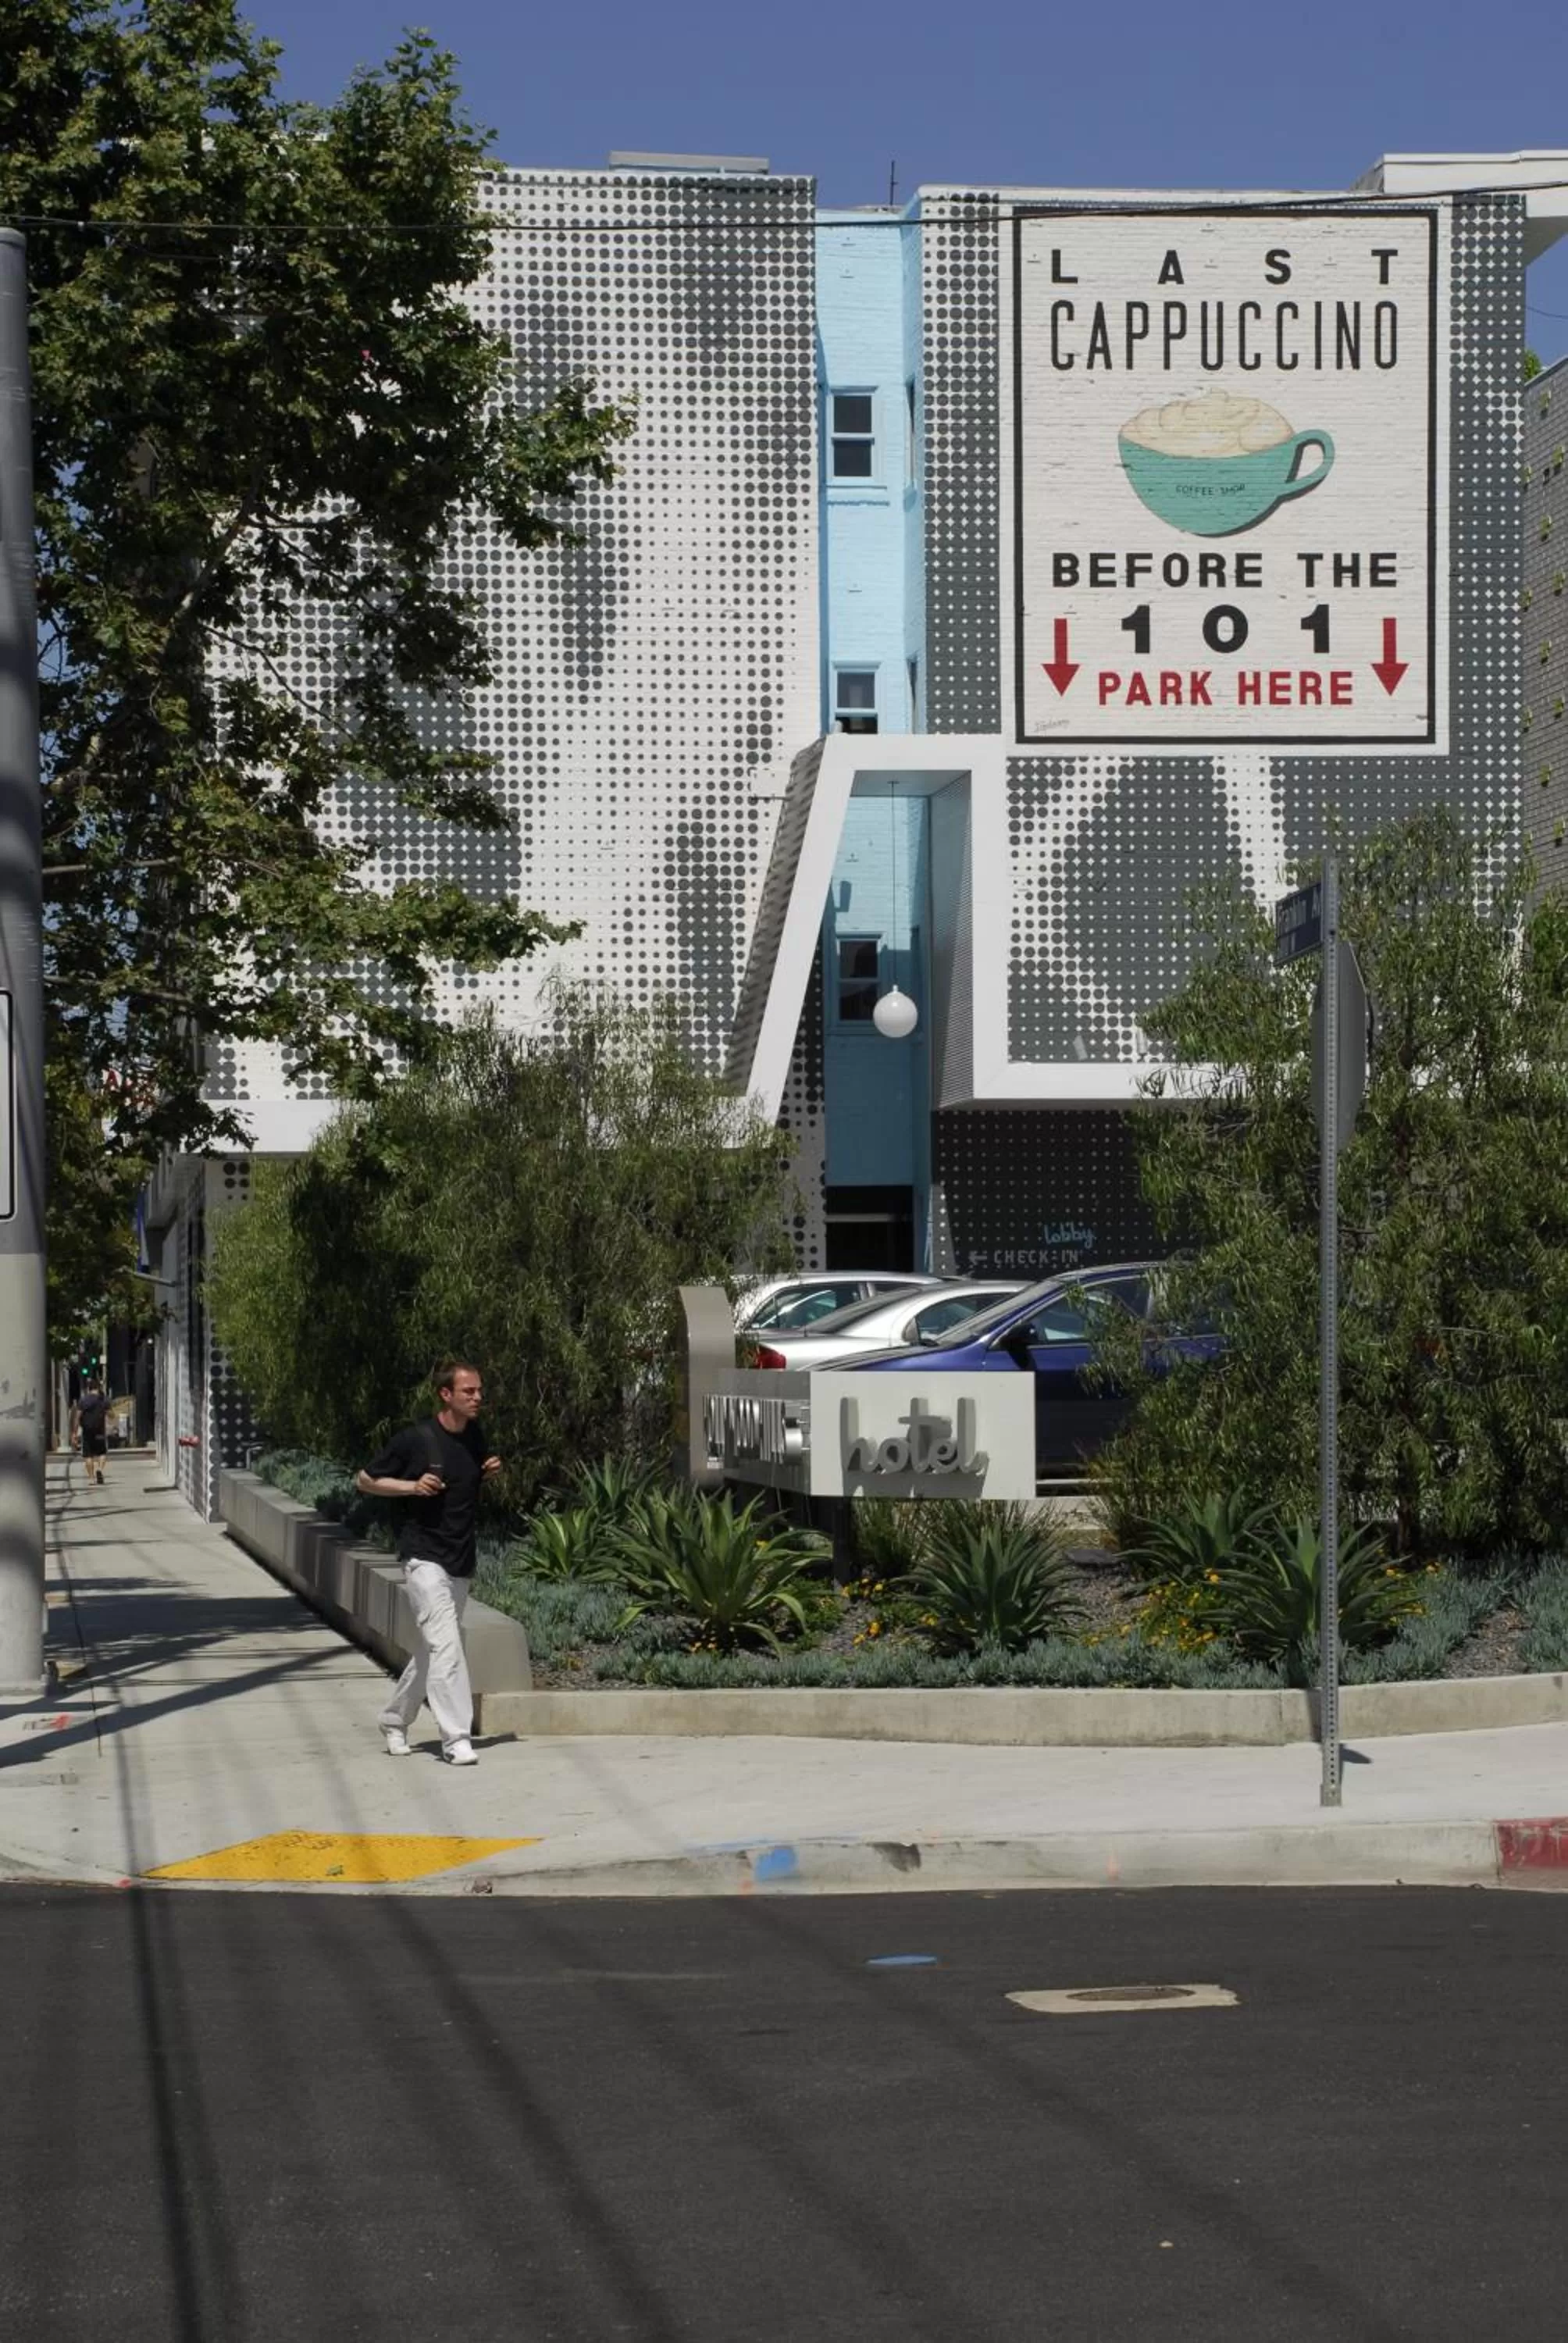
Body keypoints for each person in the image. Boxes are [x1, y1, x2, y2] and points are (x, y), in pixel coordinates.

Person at [355, 1359, 502, 1767]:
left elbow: (465, 1482)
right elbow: (365, 1479)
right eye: (469, 1391)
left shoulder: (475, 1437)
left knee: (433, 1650)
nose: (477, 1398)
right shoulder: (416, 1440)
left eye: (479, 1391)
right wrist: (411, 1486)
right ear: (446, 1395)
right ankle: (455, 1737)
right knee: (448, 1646)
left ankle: (394, 1719)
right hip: (423, 1559)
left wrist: (489, 1470)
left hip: (460, 1558)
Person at [71, 1377, 110, 1487]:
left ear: (89, 1388)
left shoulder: (83, 1400)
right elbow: (111, 1415)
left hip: (87, 1431)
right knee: (102, 1453)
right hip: (100, 1431)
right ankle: (100, 1470)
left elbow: (77, 1417)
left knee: (88, 1456)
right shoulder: (104, 1400)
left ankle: (92, 1479)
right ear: (98, 1388)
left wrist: (74, 1433)